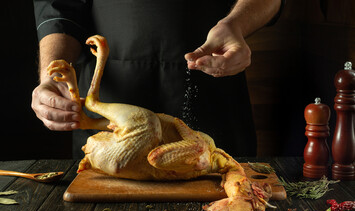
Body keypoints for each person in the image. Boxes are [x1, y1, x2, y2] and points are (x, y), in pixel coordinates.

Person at [31, 0, 283, 159]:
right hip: (111, 117)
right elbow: (59, 7)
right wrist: (52, 76)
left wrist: (236, 24)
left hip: (213, 97)